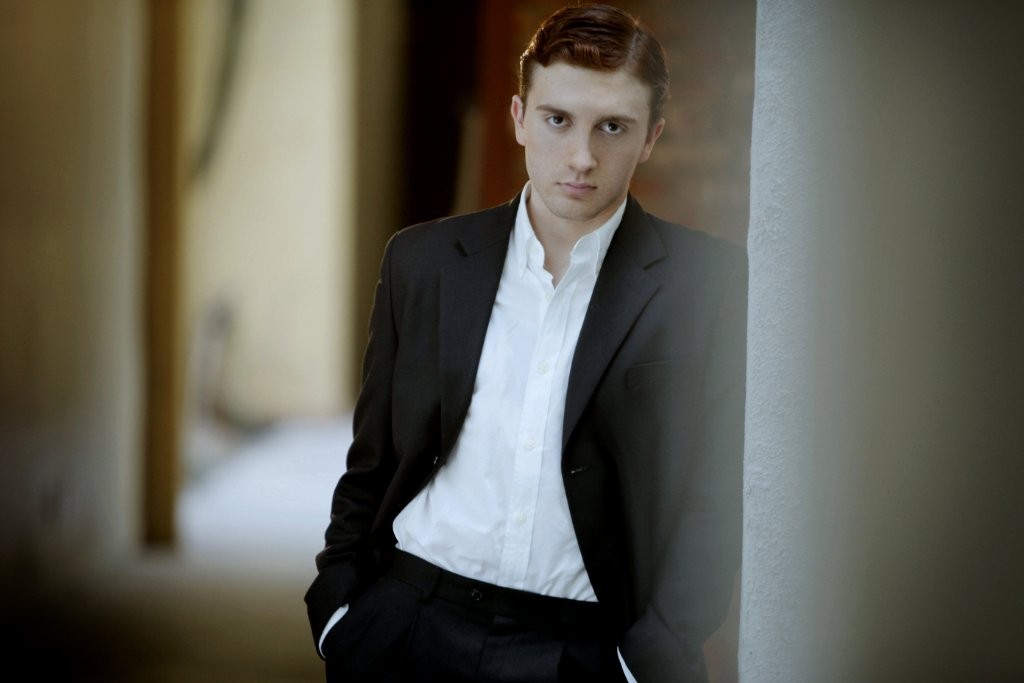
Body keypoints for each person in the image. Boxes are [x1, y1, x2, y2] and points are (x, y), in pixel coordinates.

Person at [304, 4, 747, 681]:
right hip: (410, 620)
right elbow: (372, 459)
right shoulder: (423, 262)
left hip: (582, 648)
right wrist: (340, 609)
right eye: (557, 119)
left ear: (651, 137)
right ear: (518, 117)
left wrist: (649, 654)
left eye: (613, 127)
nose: (582, 157)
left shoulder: (708, 282)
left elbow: (715, 496)